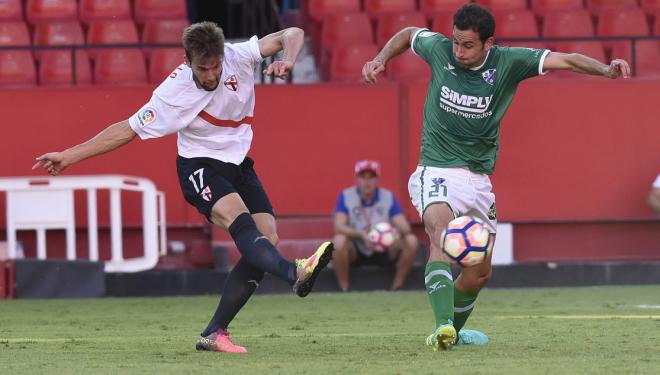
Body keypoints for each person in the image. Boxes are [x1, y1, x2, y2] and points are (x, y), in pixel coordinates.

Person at [32, 22, 334, 353]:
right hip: (199, 166)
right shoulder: (173, 93)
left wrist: (289, 59)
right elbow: (126, 130)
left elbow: (292, 33)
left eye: (215, 65)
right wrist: (68, 156)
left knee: (268, 237)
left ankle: (214, 332)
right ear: (187, 59)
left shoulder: (239, 56)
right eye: (202, 68)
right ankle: (295, 271)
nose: (209, 74)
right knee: (240, 219)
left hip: (237, 163)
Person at [362, 3, 630, 351]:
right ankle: (442, 324)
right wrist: (381, 58)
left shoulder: (508, 62)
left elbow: (567, 59)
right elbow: (409, 34)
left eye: (468, 45)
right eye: (456, 42)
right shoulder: (440, 49)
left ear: (489, 43)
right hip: (437, 169)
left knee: (479, 272)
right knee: (441, 234)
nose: (459, 51)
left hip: (478, 181)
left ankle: (451, 337)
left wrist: (606, 70)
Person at [332, 160, 419, 291]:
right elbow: (339, 227)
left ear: (377, 179)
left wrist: (390, 235)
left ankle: (397, 287)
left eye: (371, 177)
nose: (367, 182)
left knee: (411, 240)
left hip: (384, 249)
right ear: (356, 179)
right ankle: (345, 289)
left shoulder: (388, 197)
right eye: (363, 177)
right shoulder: (345, 196)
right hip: (357, 249)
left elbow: (405, 228)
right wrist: (362, 235)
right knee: (338, 241)